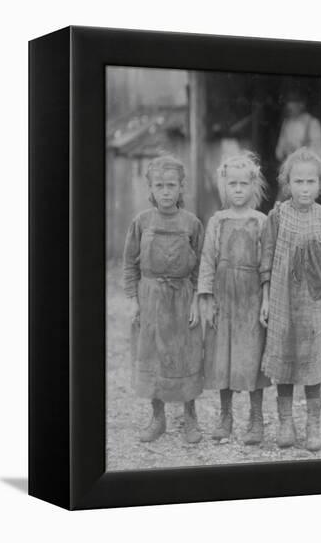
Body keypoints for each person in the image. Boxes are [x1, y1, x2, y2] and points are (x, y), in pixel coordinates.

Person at [260, 147, 321, 451]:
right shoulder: (278, 215)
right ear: (287, 183)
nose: (304, 188)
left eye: (310, 182)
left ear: (319, 185)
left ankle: (313, 424)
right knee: (284, 359)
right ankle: (285, 422)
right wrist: (266, 298)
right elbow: (266, 258)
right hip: (282, 301)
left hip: (312, 303)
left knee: (311, 364)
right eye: (298, 182)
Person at [123, 154, 204, 444]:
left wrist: (197, 300)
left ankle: (190, 417)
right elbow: (130, 264)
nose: (166, 191)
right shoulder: (141, 221)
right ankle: (157, 419)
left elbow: (201, 268)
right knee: (152, 356)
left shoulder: (192, 223)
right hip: (151, 297)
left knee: (185, 355)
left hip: (182, 298)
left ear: (182, 187)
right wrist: (134, 300)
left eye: (172, 185)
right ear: (151, 189)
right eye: (160, 185)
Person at [198, 152, 271, 445]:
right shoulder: (217, 221)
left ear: (253, 186)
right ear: (224, 187)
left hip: (251, 298)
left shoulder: (262, 221)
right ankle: (225, 416)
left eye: (243, 184)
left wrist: (266, 300)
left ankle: (256, 419)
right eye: (232, 184)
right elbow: (207, 260)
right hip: (223, 297)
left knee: (252, 356)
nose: (238, 190)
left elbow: (267, 264)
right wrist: (206, 298)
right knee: (222, 357)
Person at [275, 91, 321, 164]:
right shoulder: (287, 123)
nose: (289, 106)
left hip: (306, 168)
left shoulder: (312, 123)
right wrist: (285, 151)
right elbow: (279, 152)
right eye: (288, 102)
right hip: (290, 168)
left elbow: (319, 152)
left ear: (302, 104)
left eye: (293, 102)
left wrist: (300, 151)